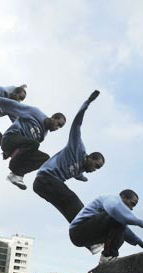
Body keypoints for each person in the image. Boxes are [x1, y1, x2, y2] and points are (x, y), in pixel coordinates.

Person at [33, 90, 104, 223]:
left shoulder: (81, 169)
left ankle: (87, 238)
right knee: (72, 199)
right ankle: (87, 225)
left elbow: (78, 174)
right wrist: (87, 103)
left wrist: (83, 178)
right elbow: (77, 124)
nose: (95, 169)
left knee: (66, 209)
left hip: (45, 187)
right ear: (90, 158)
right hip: (45, 179)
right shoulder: (77, 147)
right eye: (96, 165)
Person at [0, 94, 66, 189]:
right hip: (9, 138)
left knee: (45, 158)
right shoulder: (35, 112)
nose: (57, 128)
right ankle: (14, 166)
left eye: (60, 127)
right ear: (53, 117)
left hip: (15, 148)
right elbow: (14, 105)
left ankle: (16, 175)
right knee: (34, 144)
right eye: (58, 124)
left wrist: (8, 153)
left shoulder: (43, 135)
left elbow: (28, 150)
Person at [69, 189, 143, 264]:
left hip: (85, 236)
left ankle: (106, 259)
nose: (131, 208)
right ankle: (108, 255)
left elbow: (124, 230)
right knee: (117, 218)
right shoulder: (111, 199)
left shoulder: (117, 214)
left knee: (120, 232)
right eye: (132, 204)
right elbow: (113, 209)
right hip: (78, 230)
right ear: (123, 197)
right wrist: (141, 223)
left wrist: (140, 243)